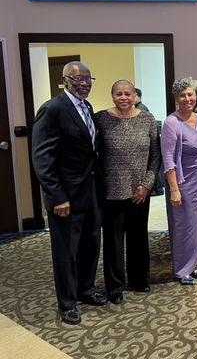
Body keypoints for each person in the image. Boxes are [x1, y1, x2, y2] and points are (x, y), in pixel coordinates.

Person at [32, 61, 106, 325]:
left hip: (90, 191)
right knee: (65, 251)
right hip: (66, 196)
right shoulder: (52, 109)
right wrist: (56, 197)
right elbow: (42, 158)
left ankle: (85, 289)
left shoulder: (87, 107)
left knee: (90, 243)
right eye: (78, 79)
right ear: (64, 80)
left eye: (88, 79)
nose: (84, 83)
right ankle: (67, 303)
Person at [95, 80, 160, 304]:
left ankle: (139, 279)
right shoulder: (101, 118)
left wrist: (146, 185)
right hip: (110, 192)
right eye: (119, 94)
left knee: (139, 238)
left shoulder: (147, 119)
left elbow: (155, 157)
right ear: (112, 96)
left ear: (135, 96)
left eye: (128, 94)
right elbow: (95, 155)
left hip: (139, 191)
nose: (123, 97)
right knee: (113, 242)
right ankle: (115, 286)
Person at [161, 78, 197, 285]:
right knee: (183, 226)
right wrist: (174, 189)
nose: (187, 98)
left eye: (190, 94)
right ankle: (182, 270)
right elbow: (169, 158)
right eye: (182, 95)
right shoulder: (171, 122)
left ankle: (195, 265)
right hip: (181, 182)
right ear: (176, 98)